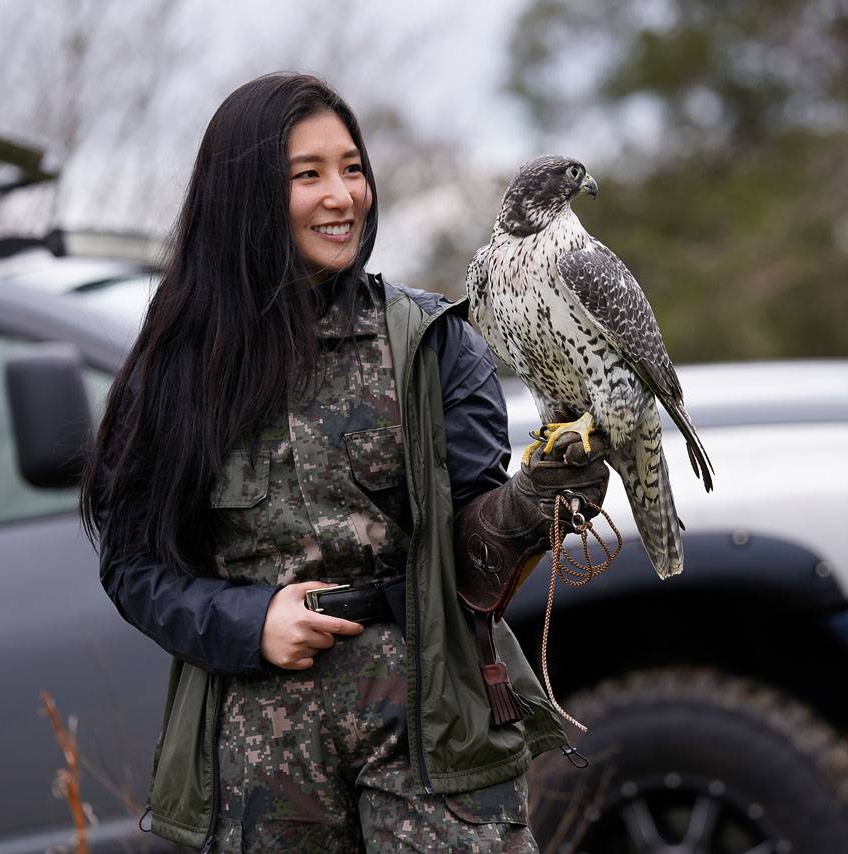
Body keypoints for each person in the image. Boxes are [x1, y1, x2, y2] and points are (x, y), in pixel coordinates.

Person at [80, 72, 609, 853]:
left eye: (352, 168)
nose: (342, 196)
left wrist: (534, 506)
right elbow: (133, 566)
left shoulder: (435, 343)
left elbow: (471, 557)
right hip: (263, 756)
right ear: (246, 194)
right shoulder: (180, 365)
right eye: (309, 174)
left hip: (434, 727)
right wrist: (248, 620)